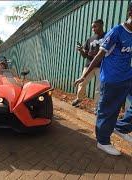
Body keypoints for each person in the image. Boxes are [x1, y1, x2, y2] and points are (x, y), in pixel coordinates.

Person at [74, 3, 132, 156]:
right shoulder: (117, 31)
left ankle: (121, 127)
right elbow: (99, 55)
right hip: (112, 79)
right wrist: (83, 76)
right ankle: (103, 141)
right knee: (108, 111)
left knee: (116, 110)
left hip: (128, 76)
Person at [72, 19, 106, 109]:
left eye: (95, 26)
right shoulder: (90, 39)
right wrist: (80, 50)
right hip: (89, 65)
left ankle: (97, 106)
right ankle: (79, 99)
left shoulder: (107, 37)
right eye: (92, 27)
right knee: (82, 83)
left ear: (101, 25)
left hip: (101, 66)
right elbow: (85, 55)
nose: (93, 29)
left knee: (99, 88)